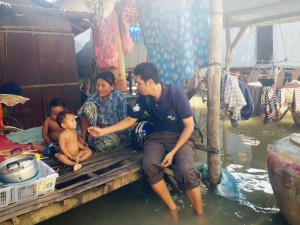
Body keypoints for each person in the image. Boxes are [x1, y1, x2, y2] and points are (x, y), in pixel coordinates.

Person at [88, 62, 203, 215]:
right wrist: (103, 131)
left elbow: (189, 127)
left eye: (138, 83)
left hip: (181, 136)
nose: (136, 86)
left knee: (185, 169)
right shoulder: (144, 97)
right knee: (149, 166)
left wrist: (173, 152)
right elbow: (130, 120)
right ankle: (173, 209)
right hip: (157, 136)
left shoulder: (176, 94)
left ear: (150, 82)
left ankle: (200, 215)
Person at [79, 71, 128, 152]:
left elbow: (123, 119)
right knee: (87, 107)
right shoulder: (92, 97)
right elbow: (83, 116)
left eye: (103, 86)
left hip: (113, 133)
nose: (99, 88)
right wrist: (83, 137)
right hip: (95, 132)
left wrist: (123, 135)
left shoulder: (119, 97)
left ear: (112, 87)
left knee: (102, 145)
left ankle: (89, 143)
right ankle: (84, 141)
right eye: (97, 85)